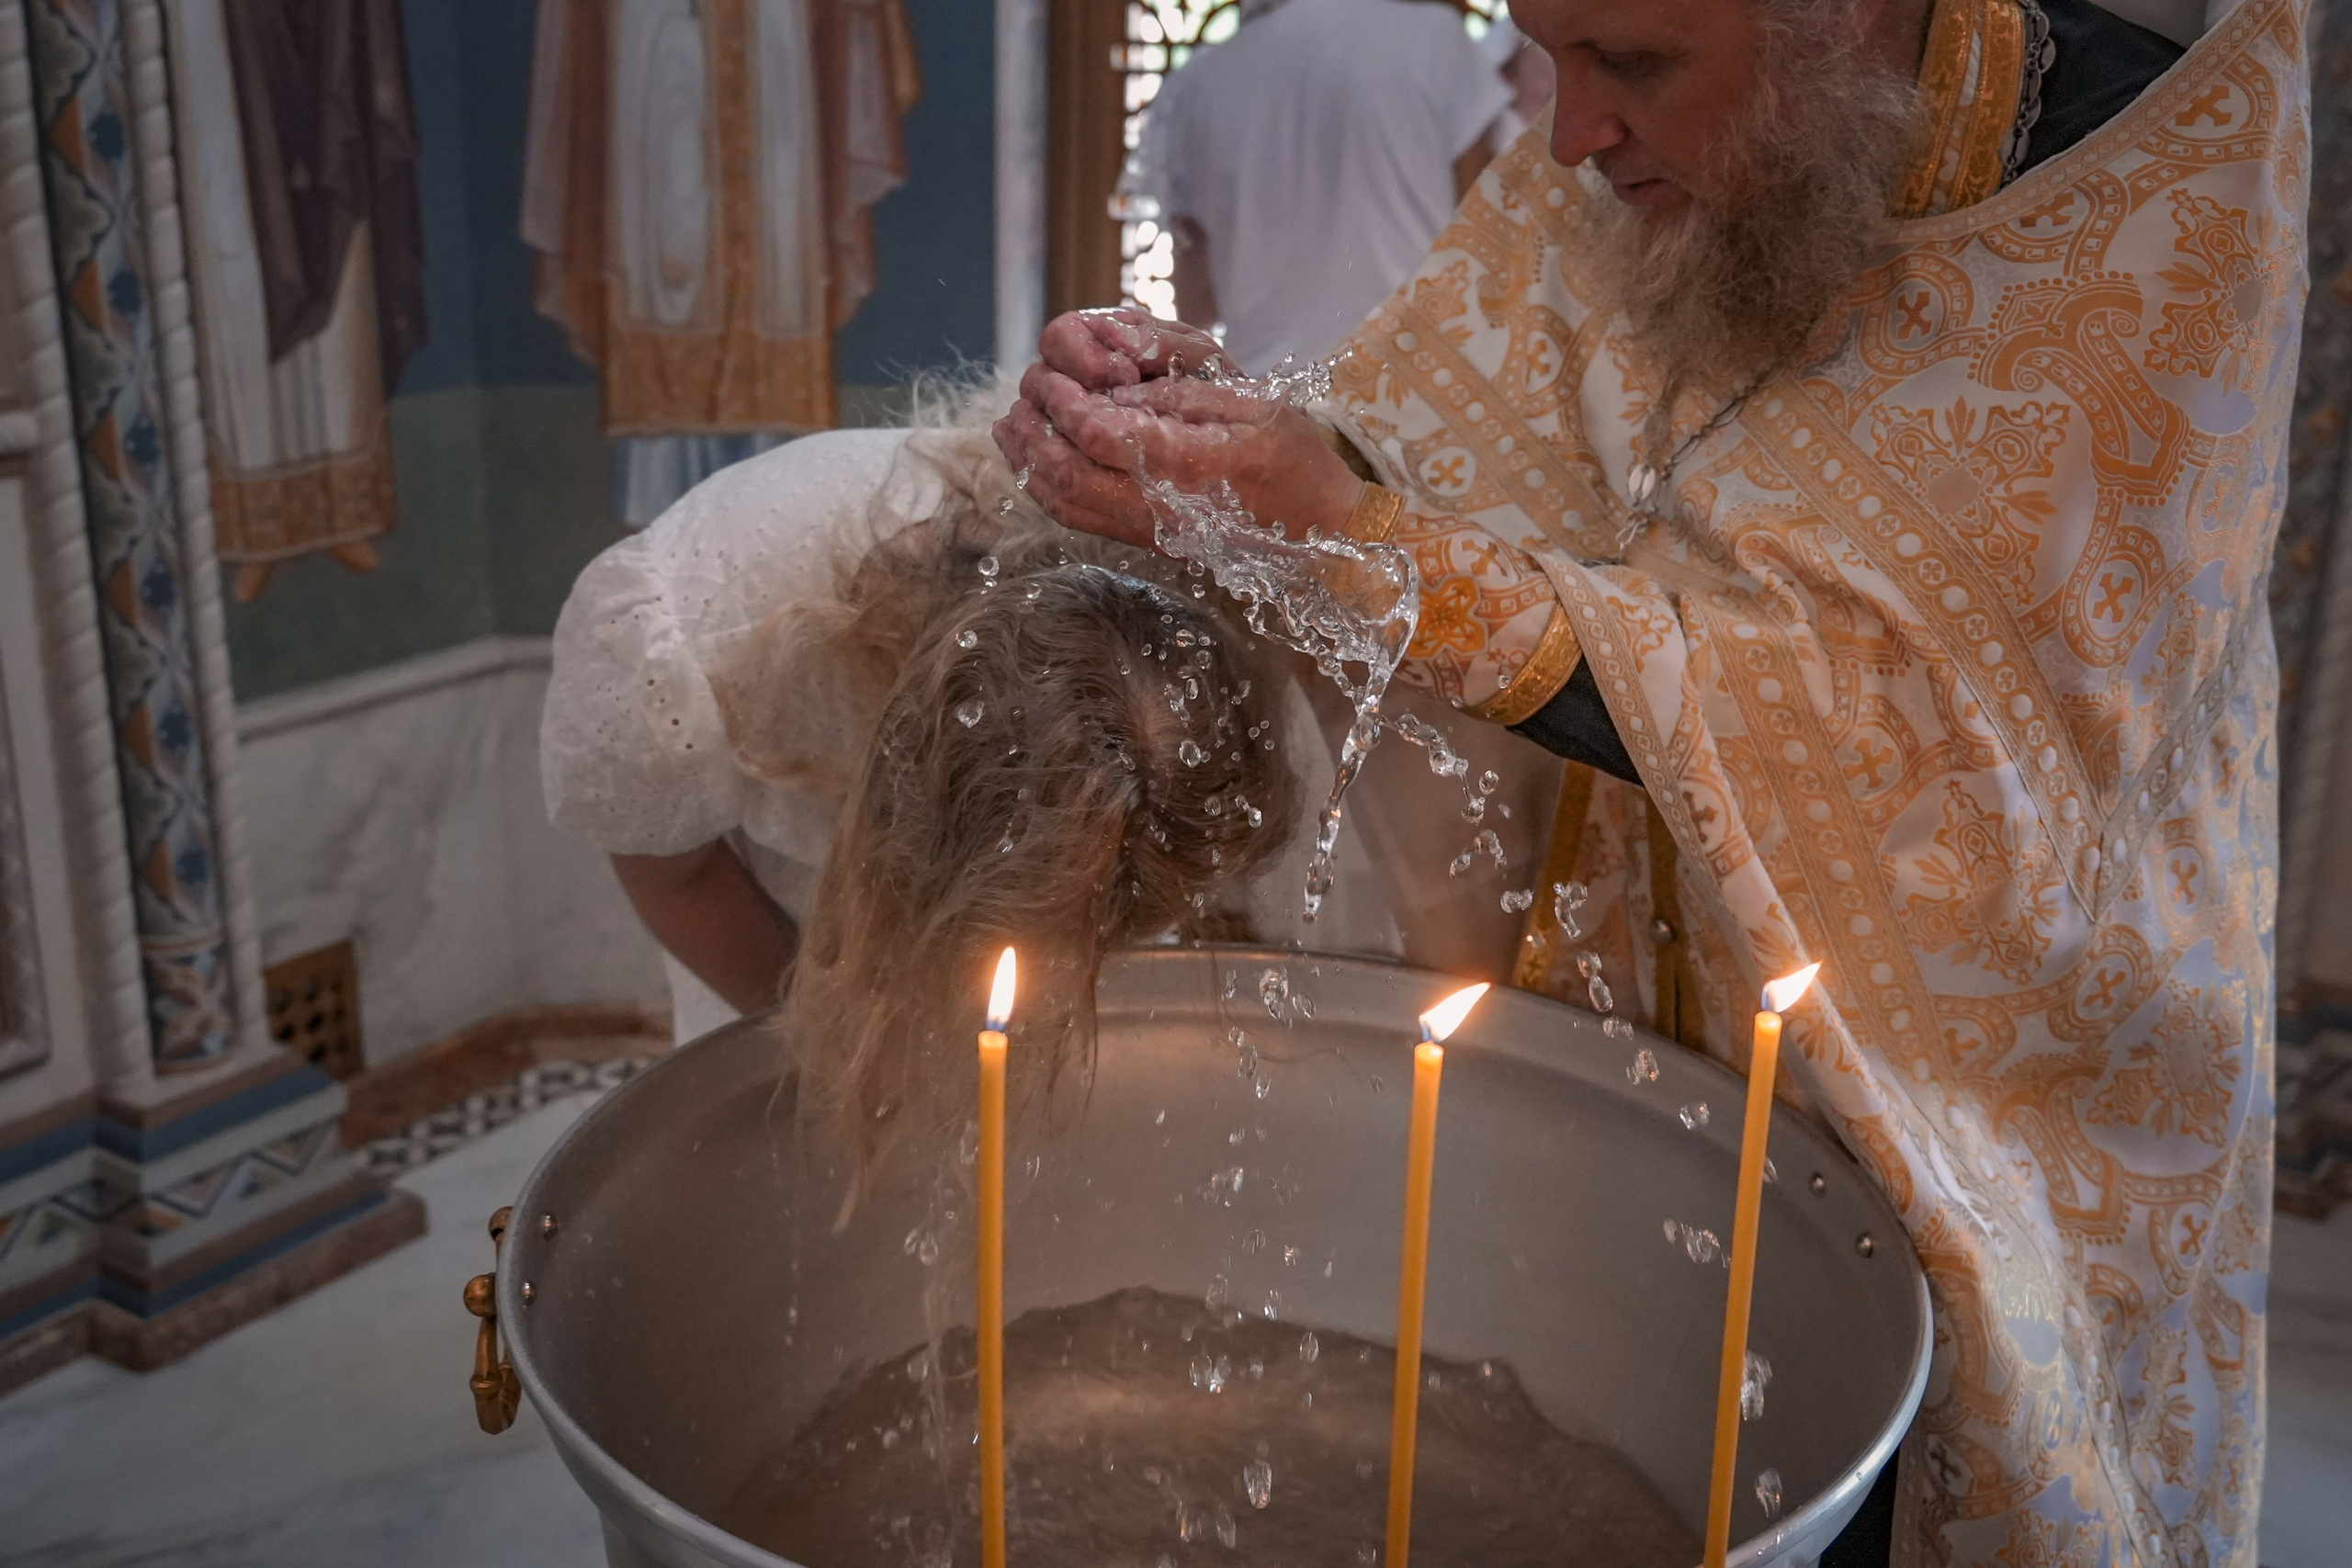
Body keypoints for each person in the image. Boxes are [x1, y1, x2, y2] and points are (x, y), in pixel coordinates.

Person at [997, 0, 2304, 1562]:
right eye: (1545, 52)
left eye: (1630, 64)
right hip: (1676, 993)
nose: (1566, 133)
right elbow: (1441, 438)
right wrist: (1212, 429)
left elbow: (1922, 745)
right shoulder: (1639, 143)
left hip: (2003, 1091)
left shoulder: (2153, 190)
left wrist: (1352, 535)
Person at [1125, 0, 1512, 375]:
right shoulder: (1433, 38)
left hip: (1269, 405)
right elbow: (1486, 235)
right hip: (1409, 390)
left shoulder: (1197, 84)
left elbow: (1196, 306)